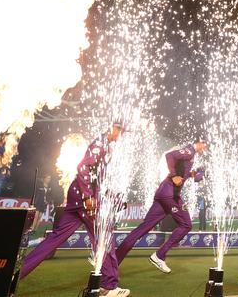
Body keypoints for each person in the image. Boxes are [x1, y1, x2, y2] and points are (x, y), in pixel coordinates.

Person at [20, 123, 130, 297]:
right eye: (120, 130)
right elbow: (83, 167)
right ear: (112, 128)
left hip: (77, 197)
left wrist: (112, 197)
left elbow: (98, 179)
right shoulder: (100, 144)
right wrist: (88, 196)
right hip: (84, 200)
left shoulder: (103, 145)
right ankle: (109, 286)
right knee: (104, 238)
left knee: (55, 238)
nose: (120, 135)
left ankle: (17, 272)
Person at [115, 141, 207, 273]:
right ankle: (159, 255)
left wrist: (191, 174)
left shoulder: (189, 154)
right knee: (186, 224)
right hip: (170, 195)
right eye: (205, 145)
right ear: (199, 143)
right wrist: (174, 175)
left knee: (142, 229)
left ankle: (112, 262)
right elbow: (169, 155)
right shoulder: (189, 150)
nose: (205, 148)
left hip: (164, 194)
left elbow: (182, 170)